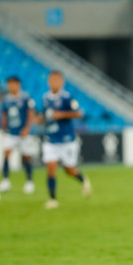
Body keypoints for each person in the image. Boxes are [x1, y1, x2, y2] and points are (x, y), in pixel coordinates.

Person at [41, 71, 91, 209]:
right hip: (51, 139)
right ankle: (52, 199)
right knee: (51, 168)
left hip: (67, 140)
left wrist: (60, 114)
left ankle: (82, 179)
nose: (54, 82)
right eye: (52, 80)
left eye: (57, 80)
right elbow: (46, 115)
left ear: (62, 82)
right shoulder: (45, 98)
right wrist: (39, 119)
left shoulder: (67, 98)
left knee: (69, 169)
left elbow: (79, 113)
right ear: (48, 82)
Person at [0, 76, 37, 194]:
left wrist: (27, 128)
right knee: (6, 154)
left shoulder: (26, 98)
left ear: (18, 84)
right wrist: (4, 127)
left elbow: (31, 113)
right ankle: (5, 180)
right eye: (9, 84)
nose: (10, 86)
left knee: (26, 157)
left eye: (12, 84)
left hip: (23, 133)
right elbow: (4, 114)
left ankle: (29, 181)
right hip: (11, 133)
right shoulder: (6, 99)